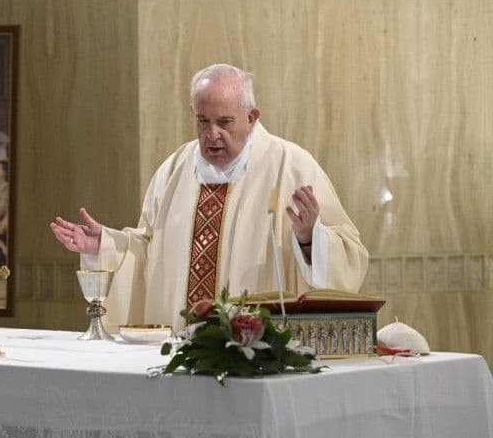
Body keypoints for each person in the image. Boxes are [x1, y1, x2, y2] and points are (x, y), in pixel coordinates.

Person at [50, 63, 368, 332]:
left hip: (259, 357)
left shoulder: (292, 167)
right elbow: (148, 251)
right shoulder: (173, 170)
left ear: (251, 117)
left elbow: (349, 255)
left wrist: (310, 238)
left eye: (224, 122)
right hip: (183, 352)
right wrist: (105, 246)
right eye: (203, 121)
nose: (212, 134)